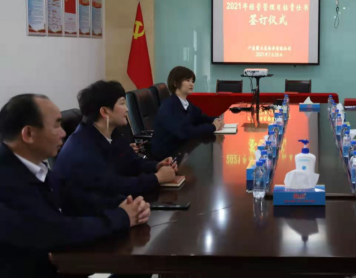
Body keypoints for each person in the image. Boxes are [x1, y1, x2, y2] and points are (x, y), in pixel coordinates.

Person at [0, 94, 150, 278]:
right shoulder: (6, 181)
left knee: (139, 268)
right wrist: (122, 217)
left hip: (60, 265)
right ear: (28, 134)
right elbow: (57, 231)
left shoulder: (34, 167)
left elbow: (73, 195)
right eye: (56, 125)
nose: (63, 133)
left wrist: (122, 204)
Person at [54, 81, 178, 216]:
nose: (127, 109)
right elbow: (115, 185)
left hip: (111, 209)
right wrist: (157, 178)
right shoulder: (83, 147)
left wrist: (157, 166)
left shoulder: (111, 132)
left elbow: (132, 162)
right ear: (104, 112)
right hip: (89, 218)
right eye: (122, 103)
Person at [152, 66, 224, 160]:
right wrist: (213, 127)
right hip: (168, 156)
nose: (191, 84)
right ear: (175, 83)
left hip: (183, 150)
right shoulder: (169, 106)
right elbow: (184, 132)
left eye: (192, 81)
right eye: (187, 80)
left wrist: (216, 119)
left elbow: (201, 117)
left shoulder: (186, 103)